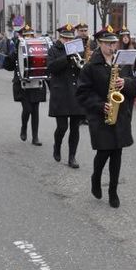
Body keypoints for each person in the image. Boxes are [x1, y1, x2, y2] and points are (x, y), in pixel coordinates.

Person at [76, 25, 136, 208]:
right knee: (104, 152)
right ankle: (96, 177)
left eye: (113, 43)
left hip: (120, 114)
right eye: (107, 43)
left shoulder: (123, 62)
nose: (112, 47)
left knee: (117, 152)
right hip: (101, 115)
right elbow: (82, 93)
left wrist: (125, 82)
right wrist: (99, 105)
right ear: (99, 43)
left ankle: (113, 191)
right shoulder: (90, 66)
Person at [47, 24, 86, 168]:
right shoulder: (53, 50)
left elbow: (81, 69)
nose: (67, 41)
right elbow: (51, 67)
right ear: (60, 37)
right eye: (64, 38)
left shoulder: (77, 50)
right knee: (62, 127)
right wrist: (67, 57)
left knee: (75, 127)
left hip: (75, 92)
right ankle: (57, 146)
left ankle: (72, 157)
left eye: (69, 38)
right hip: (61, 92)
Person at [3, 25, 46, 146]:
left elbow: (44, 65)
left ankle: (35, 137)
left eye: (31, 35)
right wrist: (13, 54)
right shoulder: (18, 48)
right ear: (21, 36)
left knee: (35, 110)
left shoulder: (38, 48)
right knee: (27, 109)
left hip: (36, 82)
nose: (28, 38)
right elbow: (8, 66)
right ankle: (23, 127)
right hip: (22, 83)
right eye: (26, 35)